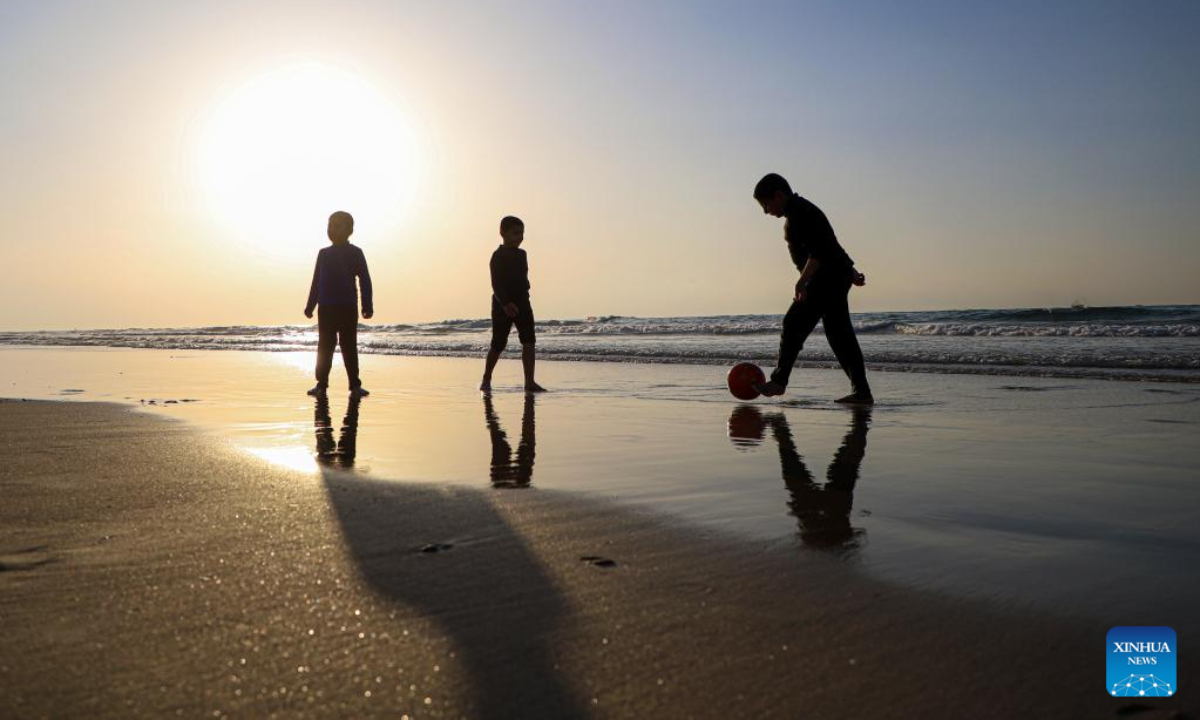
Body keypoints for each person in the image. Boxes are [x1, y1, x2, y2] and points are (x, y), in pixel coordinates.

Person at [752, 173, 873, 405]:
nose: (766, 211)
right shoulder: (801, 211)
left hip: (825, 280)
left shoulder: (801, 213)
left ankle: (779, 382)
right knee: (840, 336)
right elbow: (832, 245)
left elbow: (819, 252)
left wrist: (803, 281)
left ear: (779, 195)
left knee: (793, 323)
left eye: (766, 204)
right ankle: (862, 393)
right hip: (834, 277)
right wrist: (851, 271)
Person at [304, 211, 373, 397]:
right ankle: (321, 384)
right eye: (330, 226)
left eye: (337, 226)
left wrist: (367, 305)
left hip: (347, 307)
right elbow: (316, 282)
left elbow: (365, 280)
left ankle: (355, 385)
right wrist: (310, 306)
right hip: (326, 308)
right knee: (325, 345)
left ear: (349, 230)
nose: (332, 229)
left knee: (348, 345)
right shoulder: (323, 254)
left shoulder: (355, 253)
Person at [479, 215, 546, 393]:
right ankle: (486, 378)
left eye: (522, 233)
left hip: (523, 301)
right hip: (503, 304)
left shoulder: (522, 254)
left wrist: (524, 292)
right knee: (499, 343)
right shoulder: (498, 256)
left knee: (529, 341)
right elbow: (496, 283)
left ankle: (529, 382)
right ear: (503, 233)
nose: (520, 237)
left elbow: (522, 278)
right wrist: (506, 303)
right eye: (516, 233)